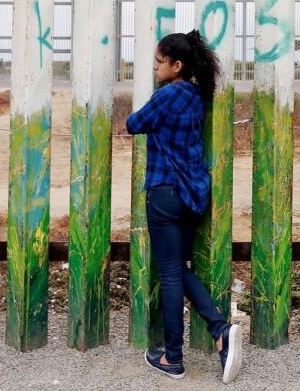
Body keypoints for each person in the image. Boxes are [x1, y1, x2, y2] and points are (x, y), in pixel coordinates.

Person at [126, 30, 243, 384]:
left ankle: (172, 358)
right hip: (192, 195)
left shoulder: (167, 95)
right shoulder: (195, 95)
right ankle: (220, 330)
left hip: (164, 193)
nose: (154, 66)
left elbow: (133, 124)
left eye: (160, 62)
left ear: (177, 65)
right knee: (179, 267)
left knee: (172, 274)